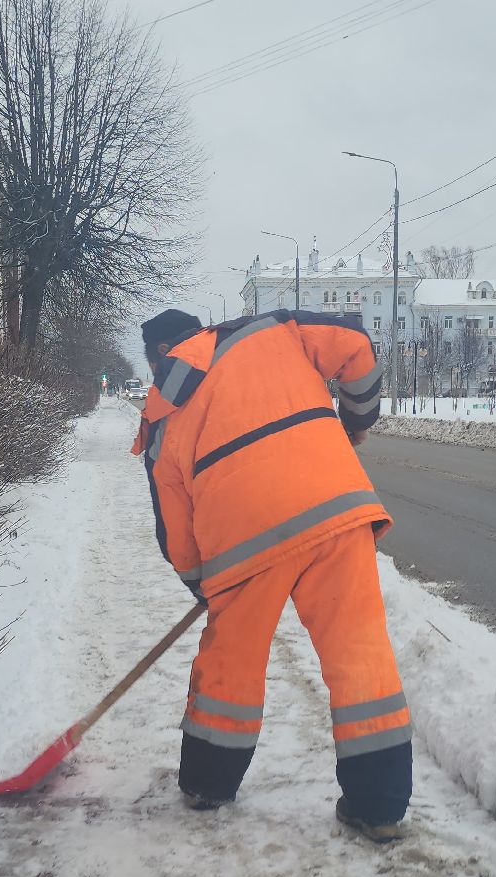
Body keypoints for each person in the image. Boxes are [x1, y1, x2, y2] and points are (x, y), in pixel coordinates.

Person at [132, 307, 410, 843]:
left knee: (230, 663)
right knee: (360, 653)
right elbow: (355, 344)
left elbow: (176, 532)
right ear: (200, 332)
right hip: (336, 509)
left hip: (241, 544)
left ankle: (208, 785)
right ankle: (379, 808)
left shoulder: (162, 412)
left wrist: (201, 584)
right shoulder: (270, 330)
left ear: (155, 359)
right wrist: (357, 421)